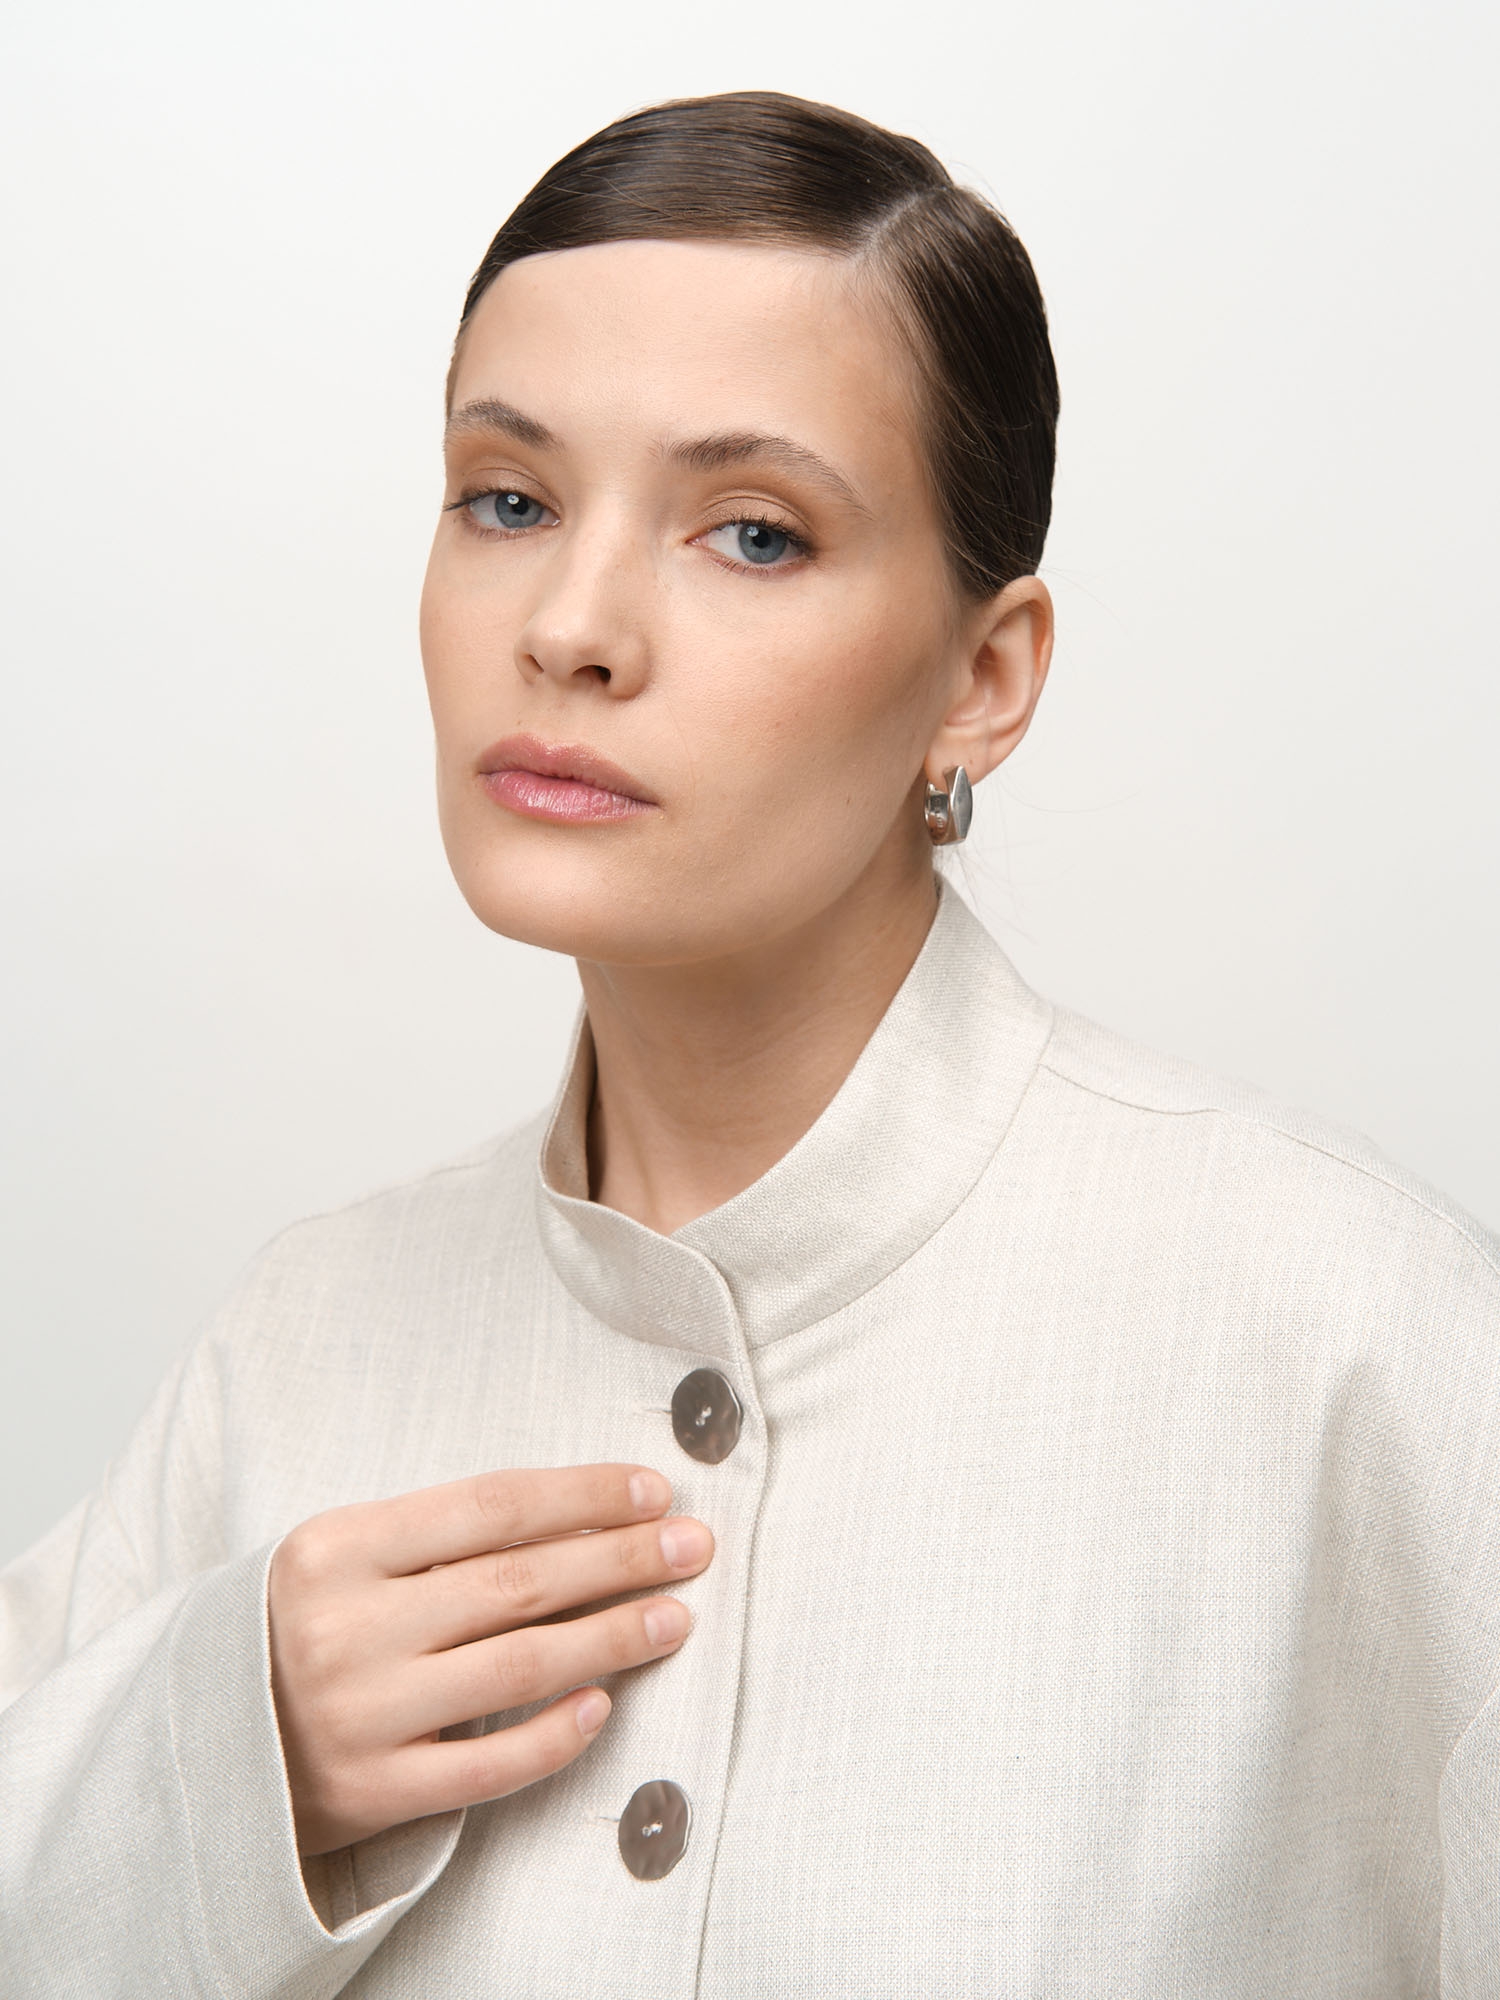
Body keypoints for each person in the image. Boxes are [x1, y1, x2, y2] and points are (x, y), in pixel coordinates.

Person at [2, 88, 1498, 1999]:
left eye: (754, 534)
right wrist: (228, 1757)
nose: (572, 626)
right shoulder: (304, 1338)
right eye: (509, 500)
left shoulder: (1358, 1344)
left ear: (983, 679)